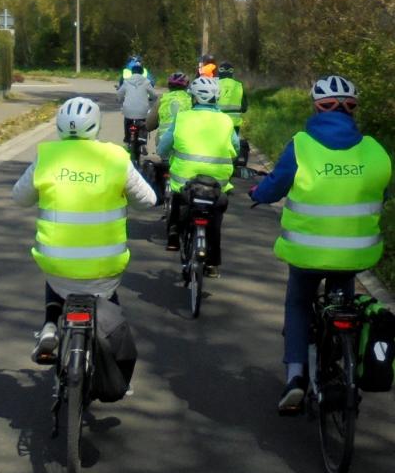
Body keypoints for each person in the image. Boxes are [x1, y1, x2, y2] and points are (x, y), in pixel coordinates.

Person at [249, 75, 392, 414]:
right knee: (343, 299)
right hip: (357, 253)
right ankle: (343, 367)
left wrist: (257, 193)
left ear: (316, 107)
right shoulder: (374, 149)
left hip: (306, 252)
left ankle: (296, 377)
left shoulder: (301, 145)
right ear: (353, 109)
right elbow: (384, 192)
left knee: (299, 302)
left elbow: (275, 186)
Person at [12, 96, 156, 361]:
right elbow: (148, 201)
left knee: (57, 275)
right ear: (97, 126)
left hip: (57, 263)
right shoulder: (116, 157)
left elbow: (19, 198)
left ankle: (50, 325)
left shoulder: (47, 156)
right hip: (105, 266)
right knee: (108, 299)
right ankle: (114, 360)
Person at [158, 77, 239, 274]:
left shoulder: (182, 117)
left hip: (185, 181)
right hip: (217, 184)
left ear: (193, 98)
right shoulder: (226, 121)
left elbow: (164, 146)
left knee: (178, 200)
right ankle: (212, 264)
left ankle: (174, 236)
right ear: (216, 98)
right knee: (216, 218)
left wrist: (164, 154)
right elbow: (235, 147)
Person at [145, 71, 192, 150]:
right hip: (184, 144)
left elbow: (149, 124)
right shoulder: (190, 100)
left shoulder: (163, 99)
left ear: (169, 86)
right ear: (187, 86)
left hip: (163, 144)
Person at [117, 63, 156, 154]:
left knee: (127, 121)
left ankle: (127, 141)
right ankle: (142, 144)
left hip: (128, 110)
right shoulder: (146, 82)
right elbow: (154, 95)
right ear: (142, 72)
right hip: (142, 111)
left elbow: (119, 94)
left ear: (132, 72)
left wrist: (120, 100)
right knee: (143, 124)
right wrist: (151, 99)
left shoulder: (126, 82)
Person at [217, 62, 248, 134]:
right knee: (234, 144)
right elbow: (244, 109)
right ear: (231, 73)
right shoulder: (239, 86)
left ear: (220, 72)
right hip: (234, 125)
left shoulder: (215, 84)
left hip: (218, 123)